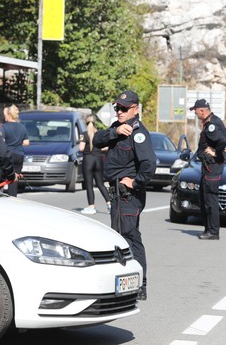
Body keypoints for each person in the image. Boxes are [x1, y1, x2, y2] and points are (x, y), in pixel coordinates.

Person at [93, 90, 155, 300]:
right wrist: (115, 132)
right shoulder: (118, 129)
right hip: (118, 195)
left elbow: (149, 164)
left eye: (124, 108)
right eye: (117, 108)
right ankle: (127, 283)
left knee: (130, 238)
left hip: (128, 195)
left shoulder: (138, 132)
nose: (119, 111)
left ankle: (140, 286)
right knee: (121, 237)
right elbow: (96, 140)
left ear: (135, 109)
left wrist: (135, 182)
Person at [190, 98, 226, 240]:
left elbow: (222, 141)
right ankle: (208, 229)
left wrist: (217, 152)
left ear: (202, 110)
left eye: (196, 111)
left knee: (210, 200)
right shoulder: (212, 122)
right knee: (204, 199)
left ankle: (213, 232)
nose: (195, 114)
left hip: (212, 167)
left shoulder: (212, 124)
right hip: (208, 167)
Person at [79, 114, 111, 215]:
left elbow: (81, 148)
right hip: (99, 159)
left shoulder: (83, 134)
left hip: (88, 160)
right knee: (100, 183)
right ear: (95, 122)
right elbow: (106, 147)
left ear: (85, 122)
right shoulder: (99, 134)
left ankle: (91, 207)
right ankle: (109, 204)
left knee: (89, 184)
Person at [0, 104, 29, 196]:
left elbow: (1, 140)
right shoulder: (22, 127)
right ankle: (12, 197)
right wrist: (18, 141)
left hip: (7, 154)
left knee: (1, 176)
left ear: (8, 115)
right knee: (14, 179)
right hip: (19, 155)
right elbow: (26, 142)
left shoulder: (4, 127)